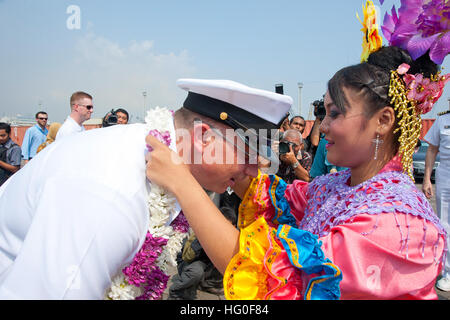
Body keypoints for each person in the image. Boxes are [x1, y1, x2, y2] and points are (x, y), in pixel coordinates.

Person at [145, 46, 448, 300]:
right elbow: (278, 198)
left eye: (335, 113)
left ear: (383, 120)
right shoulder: (338, 185)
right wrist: (225, 160)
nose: (323, 126)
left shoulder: (401, 224)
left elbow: (271, 273)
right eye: (322, 113)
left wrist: (182, 182)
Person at [0, 79, 292, 299]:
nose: (255, 171)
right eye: (250, 154)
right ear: (204, 138)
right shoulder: (112, 193)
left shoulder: (165, 164)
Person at [168, 206, 236, 300]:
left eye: (228, 227)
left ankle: (206, 285)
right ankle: (177, 291)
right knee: (196, 272)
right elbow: (187, 257)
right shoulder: (204, 231)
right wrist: (205, 240)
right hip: (192, 262)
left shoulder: (232, 235)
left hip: (209, 266)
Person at [422, 109, 450, 292]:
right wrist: (426, 178)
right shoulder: (442, 121)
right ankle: (448, 273)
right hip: (446, 176)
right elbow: (431, 150)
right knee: (446, 224)